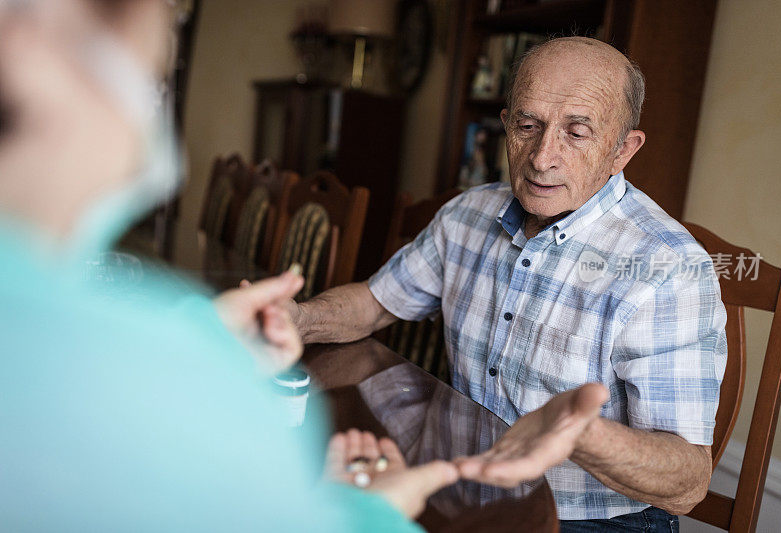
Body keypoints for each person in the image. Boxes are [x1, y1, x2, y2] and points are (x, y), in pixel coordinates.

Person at [0, 1, 459, 530]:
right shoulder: (210, 406)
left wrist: (202, 335)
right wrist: (369, 511)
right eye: (150, 85)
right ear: (27, 46)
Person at [288, 37, 727, 530]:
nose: (542, 157)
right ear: (505, 125)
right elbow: (374, 303)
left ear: (623, 149)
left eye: (577, 133)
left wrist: (579, 435)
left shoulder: (667, 267)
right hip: (463, 486)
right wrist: (300, 319)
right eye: (527, 126)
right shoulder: (467, 213)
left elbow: (689, 484)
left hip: (586, 519)